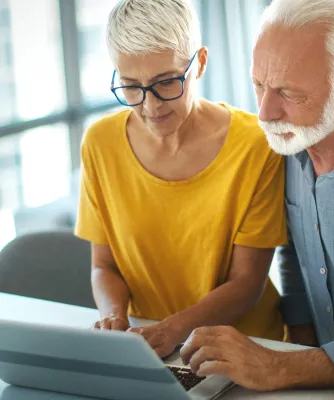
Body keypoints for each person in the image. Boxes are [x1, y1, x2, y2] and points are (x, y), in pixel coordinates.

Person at [181, 0, 334, 391]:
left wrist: (281, 368)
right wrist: (300, 349)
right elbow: (296, 255)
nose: (264, 112)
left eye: (288, 93)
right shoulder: (294, 143)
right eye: (259, 85)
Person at [75, 0, 287, 358]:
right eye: (131, 86)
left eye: (167, 82)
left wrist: (173, 329)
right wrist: (114, 317)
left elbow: (247, 283)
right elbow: (104, 265)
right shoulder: (100, 143)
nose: (151, 106)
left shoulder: (256, 146)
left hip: (245, 352)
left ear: (199, 63)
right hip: (151, 349)